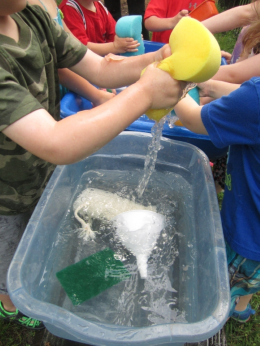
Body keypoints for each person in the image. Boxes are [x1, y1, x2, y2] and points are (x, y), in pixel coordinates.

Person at [0, 0, 184, 330]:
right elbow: (55, 142)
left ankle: (67, 295)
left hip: (42, 172)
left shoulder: (32, 16)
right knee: (9, 249)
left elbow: (100, 69)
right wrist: (144, 93)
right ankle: (11, 299)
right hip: (4, 193)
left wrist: (155, 60)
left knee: (46, 232)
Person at [173, 78, 260, 323]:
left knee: (218, 282)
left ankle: (209, 318)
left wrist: (175, 89)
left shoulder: (256, 98)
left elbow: (191, 120)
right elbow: (244, 95)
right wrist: (207, 85)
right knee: (250, 279)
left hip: (247, 235)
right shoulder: (253, 96)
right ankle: (241, 308)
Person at [29, 0, 116, 103]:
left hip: (72, 85)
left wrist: (101, 78)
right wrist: (97, 95)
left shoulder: (51, 2)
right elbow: (57, 68)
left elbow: (75, 49)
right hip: (49, 94)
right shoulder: (32, 6)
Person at [59, 0, 140, 56]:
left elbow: (115, 33)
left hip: (101, 63)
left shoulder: (99, 6)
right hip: (81, 70)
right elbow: (80, 48)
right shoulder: (69, 9)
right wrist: (115, 47)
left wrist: (129, 41)